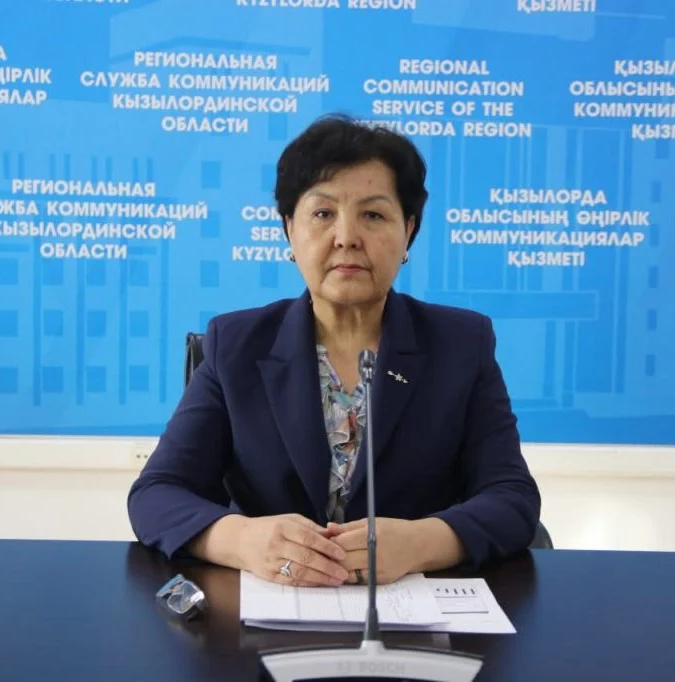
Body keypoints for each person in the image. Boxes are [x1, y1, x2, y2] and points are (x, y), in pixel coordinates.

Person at [127, 113, 541, 587]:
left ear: (408, 231)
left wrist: (421, 543)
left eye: (373, 215)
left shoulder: (461, 343)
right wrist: (243, 540)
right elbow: (156, 494)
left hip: (412, 607)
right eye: (323, 214)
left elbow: (512, 498)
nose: (346, 237)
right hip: (270, 607)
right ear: (289, 230)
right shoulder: (236, 345)